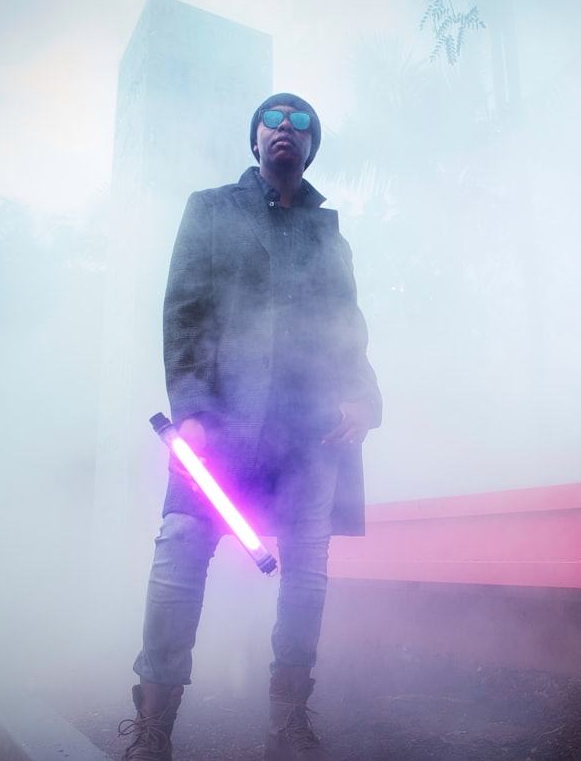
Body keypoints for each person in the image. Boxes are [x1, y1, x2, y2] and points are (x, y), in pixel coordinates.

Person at [117, 93, 382, 761]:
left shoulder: (330, 235)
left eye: (301, 123)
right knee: (180, 547)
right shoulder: (210, 210)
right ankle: (153, 727)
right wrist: (194, 414)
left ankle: (288, 720)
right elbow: (184, 312)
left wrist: (361, 396)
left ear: (311, 147)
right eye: (275, 119)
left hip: (311, 427)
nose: (286, 128)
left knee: (307, 572)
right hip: (222, 420)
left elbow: (349, 328)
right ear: (256, 140)